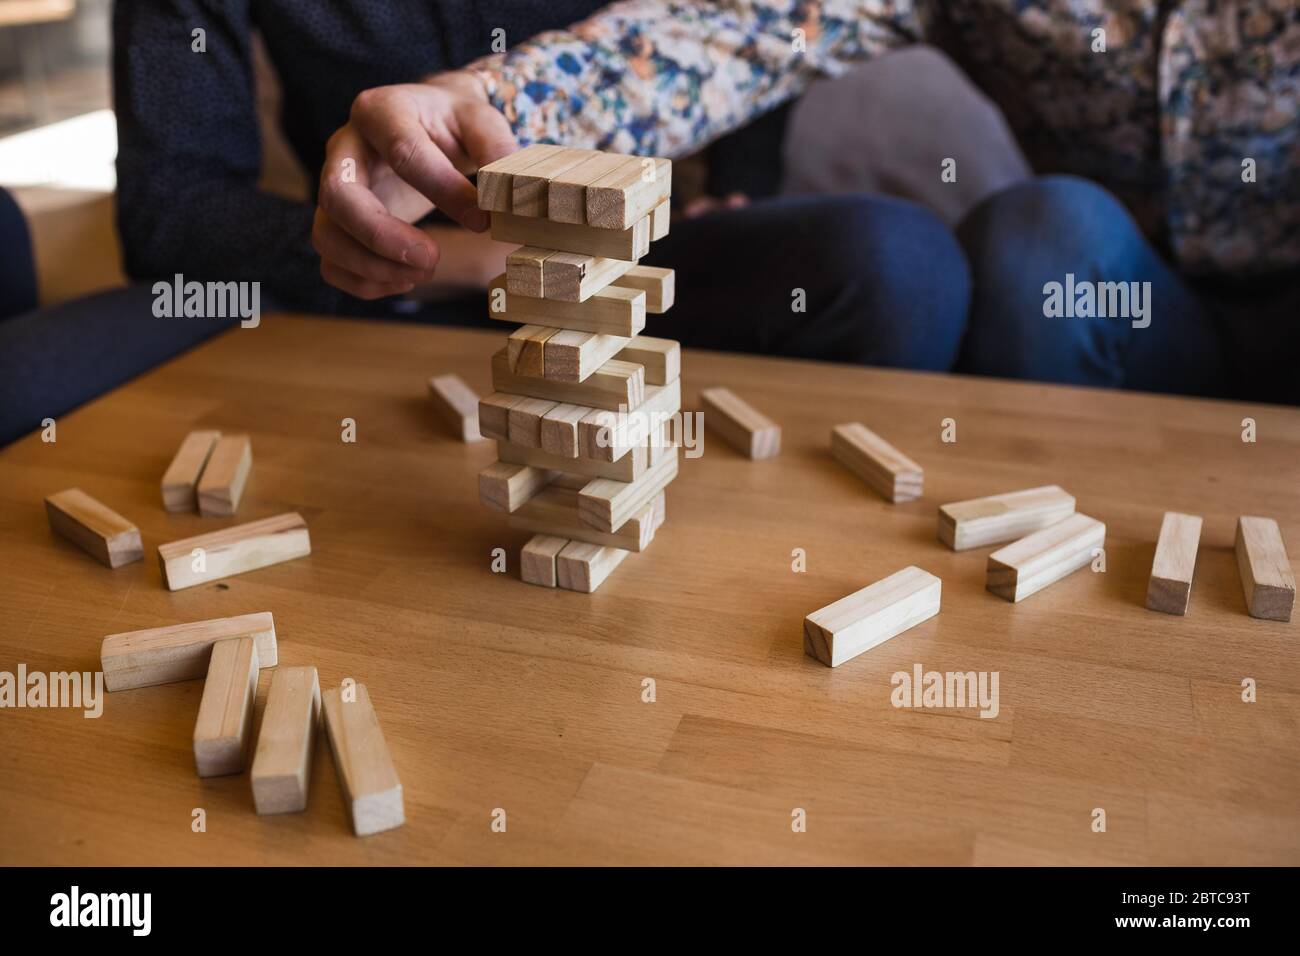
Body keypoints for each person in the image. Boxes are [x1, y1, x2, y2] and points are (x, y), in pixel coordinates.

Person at [111, 2, 1298, 402]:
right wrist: (469, 96)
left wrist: (738, 195)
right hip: (1117, 289)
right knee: (1044, 238)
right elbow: (715, 37)